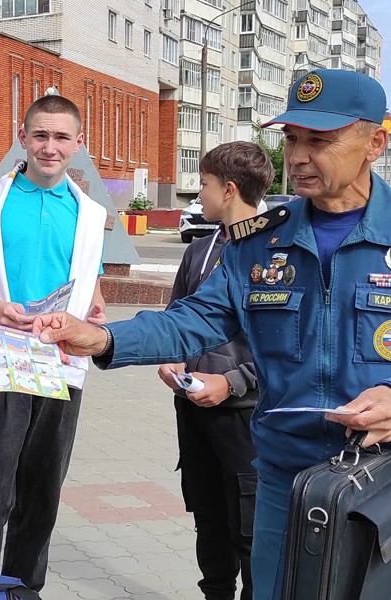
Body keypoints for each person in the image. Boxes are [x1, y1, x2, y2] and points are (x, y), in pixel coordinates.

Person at [32, 69, 391, 599]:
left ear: (374, 142)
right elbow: (195, 319)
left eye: (320, 141)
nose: (296, 157)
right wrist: (103, 340)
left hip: (381, 480)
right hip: (284, 479)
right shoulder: (259, 243)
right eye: (291, 139)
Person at [0, 93, 108, 591]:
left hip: (59, 365)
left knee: (41, 499)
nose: (49, 147)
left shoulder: (90, 214)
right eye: (40, 135)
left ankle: (22, 590)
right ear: (22, 138)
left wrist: (96, 308)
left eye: (60, 137)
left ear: (79, 143)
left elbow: (88, 281)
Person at [159, 141, 273, 600]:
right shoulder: (200, 251)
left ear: (228, 190)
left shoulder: (278, 254)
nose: (196, 197)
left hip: (247, 416)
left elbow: (288, 350)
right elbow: (176, 318)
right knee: (209, 520)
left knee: (250, 531)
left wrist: (232, 382)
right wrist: (170, 360)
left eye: (202, 186)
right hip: (194, 410)